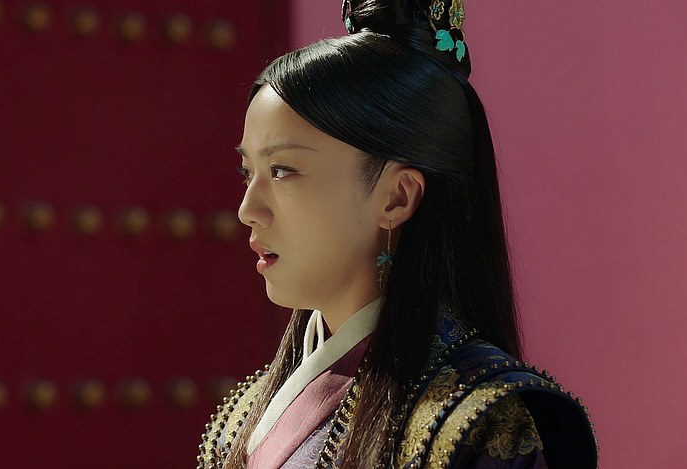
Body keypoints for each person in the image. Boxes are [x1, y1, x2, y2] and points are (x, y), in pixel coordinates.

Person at [198, 0, 598, 467]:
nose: (248, 210)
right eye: (248, 173)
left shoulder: (478, 422)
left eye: (283, 170)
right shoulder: (243, 417)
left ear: (397, 197)